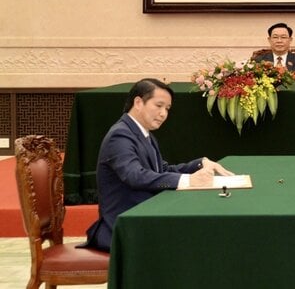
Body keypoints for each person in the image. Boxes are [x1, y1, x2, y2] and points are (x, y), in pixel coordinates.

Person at [83, 78, 233, 251]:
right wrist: (188, 181)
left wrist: (200, 164)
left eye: (167, 109)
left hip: (144, 216)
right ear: (138, 102)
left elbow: (162, 170)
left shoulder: (143, 133)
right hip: (124, 226)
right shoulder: (120, 136)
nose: (163, 114)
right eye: (159, 105)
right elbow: (136, 176)